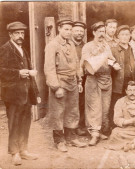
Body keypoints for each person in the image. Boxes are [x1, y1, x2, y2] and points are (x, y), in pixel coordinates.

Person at [0, 21, 40, 165]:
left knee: (25, 122)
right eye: (17, 33)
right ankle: (14, 153)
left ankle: (23, 150)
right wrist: (18, 73)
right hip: (13, 94)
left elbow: (28, 71)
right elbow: (1, 72)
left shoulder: (23, 49)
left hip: (26, 94)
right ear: (10, 34)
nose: (20, 36)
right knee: (14, 123)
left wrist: (35, 92)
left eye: (22, 33)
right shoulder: (5, 49)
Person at [44, 19, 87, 152]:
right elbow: (49, 68)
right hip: (60, 81)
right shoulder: (52, 45)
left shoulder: (72, 45)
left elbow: (76, 62)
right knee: (58, 112)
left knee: (72, 110)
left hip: (72, 81)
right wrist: (56, 87)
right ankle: (59, 141)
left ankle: (71, 137)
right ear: (59, 29)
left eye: (70, 30)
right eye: (66, 29)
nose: (69, 32)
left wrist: (79, 80)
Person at [80, 21, 120, 145]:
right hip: (93, 79)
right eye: (99, 32)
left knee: (104, 107)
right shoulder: (88, 46)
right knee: (94, 107)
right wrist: (97, 53)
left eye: (103, 31)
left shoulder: (107, 45)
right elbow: (85, 63)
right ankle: (94, 134)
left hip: (106, 78)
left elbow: (110, 58)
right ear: (94, 33)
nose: (102, 34)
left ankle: (100, 130)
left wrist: (114, 63)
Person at [109, 25, 135, 132]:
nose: (125, 37)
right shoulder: (113, 49)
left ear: (130, 36)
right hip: (118, 81)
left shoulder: (132, 49)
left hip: (130, 81)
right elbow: (108, 60)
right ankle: (114, 126)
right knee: (116, 103)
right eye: (122, 35)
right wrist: (113, 64)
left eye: (127, 34)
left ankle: (128, 126)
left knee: (129, 103)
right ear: (118, 36)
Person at [71, 21, 88, 136]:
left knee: (82, 102)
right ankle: (72, 127)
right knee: (72, 103)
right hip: (71, 78)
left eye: (81, 31)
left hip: (84, 78)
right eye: (77, 31)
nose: (79, 33)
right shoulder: (68, 45)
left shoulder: (85, 46)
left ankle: (80, 125)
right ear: (72, 32)